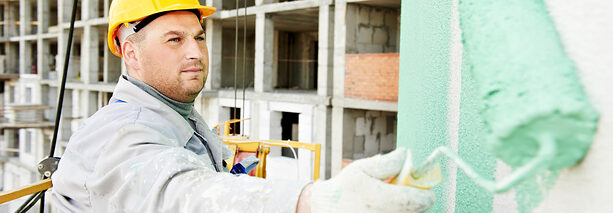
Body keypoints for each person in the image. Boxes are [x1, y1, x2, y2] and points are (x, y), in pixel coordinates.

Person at [50, 0, 435, 212]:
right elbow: (181, 194)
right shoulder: (123, 132)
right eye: (174, 40)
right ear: (131, 53)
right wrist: (312, 200)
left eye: (198, 38)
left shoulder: (172, 112)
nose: (195, 52)